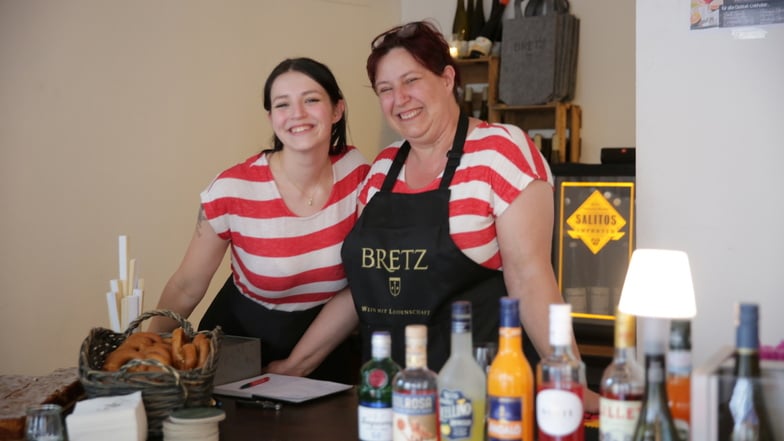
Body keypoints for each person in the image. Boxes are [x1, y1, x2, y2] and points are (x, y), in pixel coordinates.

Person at [268, 21, 599, 411]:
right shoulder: (382, 170)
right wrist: (295, 365)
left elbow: (530, 278)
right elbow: (361, 288)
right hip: (391, 397)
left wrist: (569, 377)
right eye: (385, 90)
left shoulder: (501, 152)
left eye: (412, 80)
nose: (400, 98)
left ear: (446, 78)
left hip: (481, 397)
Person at [148, 57, 369, 383]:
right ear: (271, 118)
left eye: (311, 99)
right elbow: (186, 285)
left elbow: (361, 283)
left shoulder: (358, 172)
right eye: (283, 104)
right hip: (241, 346)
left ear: (337, 110)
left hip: (325, 346)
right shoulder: (232, 189)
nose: (297, 113)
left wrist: (297, 365)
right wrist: (146, 349)